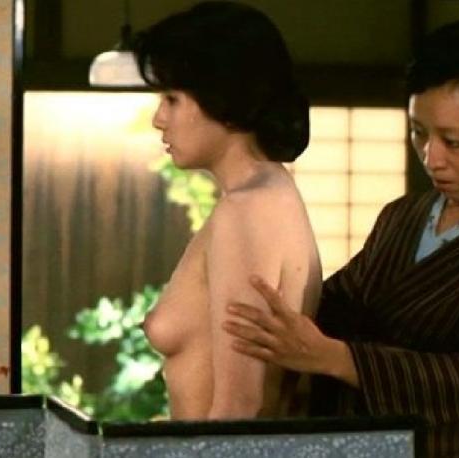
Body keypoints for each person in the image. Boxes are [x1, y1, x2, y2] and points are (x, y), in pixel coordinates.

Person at [224, 19, 459, 457]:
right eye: (419, 132)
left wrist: (337, 359)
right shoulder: (404, 216)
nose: (431, 158)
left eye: (453, 142)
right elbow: (333, 306)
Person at [134, 1, 322, 420]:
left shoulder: (247, 210)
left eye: (172, 99)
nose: (159, 119)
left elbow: (241, 405)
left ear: (222, 96)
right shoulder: (269, 193)